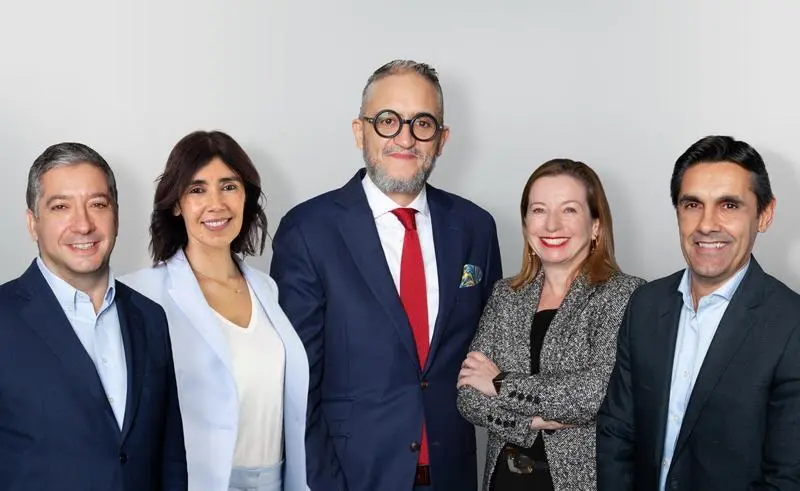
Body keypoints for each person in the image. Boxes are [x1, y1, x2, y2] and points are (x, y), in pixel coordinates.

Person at [270, 59, 502, 491]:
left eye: (422, 123)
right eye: (387, 121)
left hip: (452, 475)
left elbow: (491, 352)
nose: (405, 138)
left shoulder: (475, 228)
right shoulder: (309, 231)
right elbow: (297, 386)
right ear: (360, 131)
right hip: (352, 478)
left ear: (442, 139)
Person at [597, 135, 800, 490]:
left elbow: (787, 477)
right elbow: (617, 431)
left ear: (765, 214)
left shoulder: (791, 324)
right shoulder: (645, 304)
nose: (707, 224)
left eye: (729, 205)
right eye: (692, 204)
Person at [121, 131, 309, 491]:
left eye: (229, 186)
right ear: (176, 204)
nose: (216, 203)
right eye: (197, 189)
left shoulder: (267, 289)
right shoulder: (142, 295)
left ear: (245, 196)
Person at [0, 142, 187, 490]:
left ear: (116, 215)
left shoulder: (150, 318)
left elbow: (170, 458)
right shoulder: (4, 318)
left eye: (97, 204)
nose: (83, 224)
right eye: (61, 207)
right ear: (32, 223)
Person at [457, 159, 644, 490]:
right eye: (539, 210)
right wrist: (531, 423)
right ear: (526, 223)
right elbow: (469, 396)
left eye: (569, 210)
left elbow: (592, 395)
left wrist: (499, 382)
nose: (552, 225)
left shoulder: (624, 294)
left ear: (596, 225)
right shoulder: (506, 295)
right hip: (504, 480)